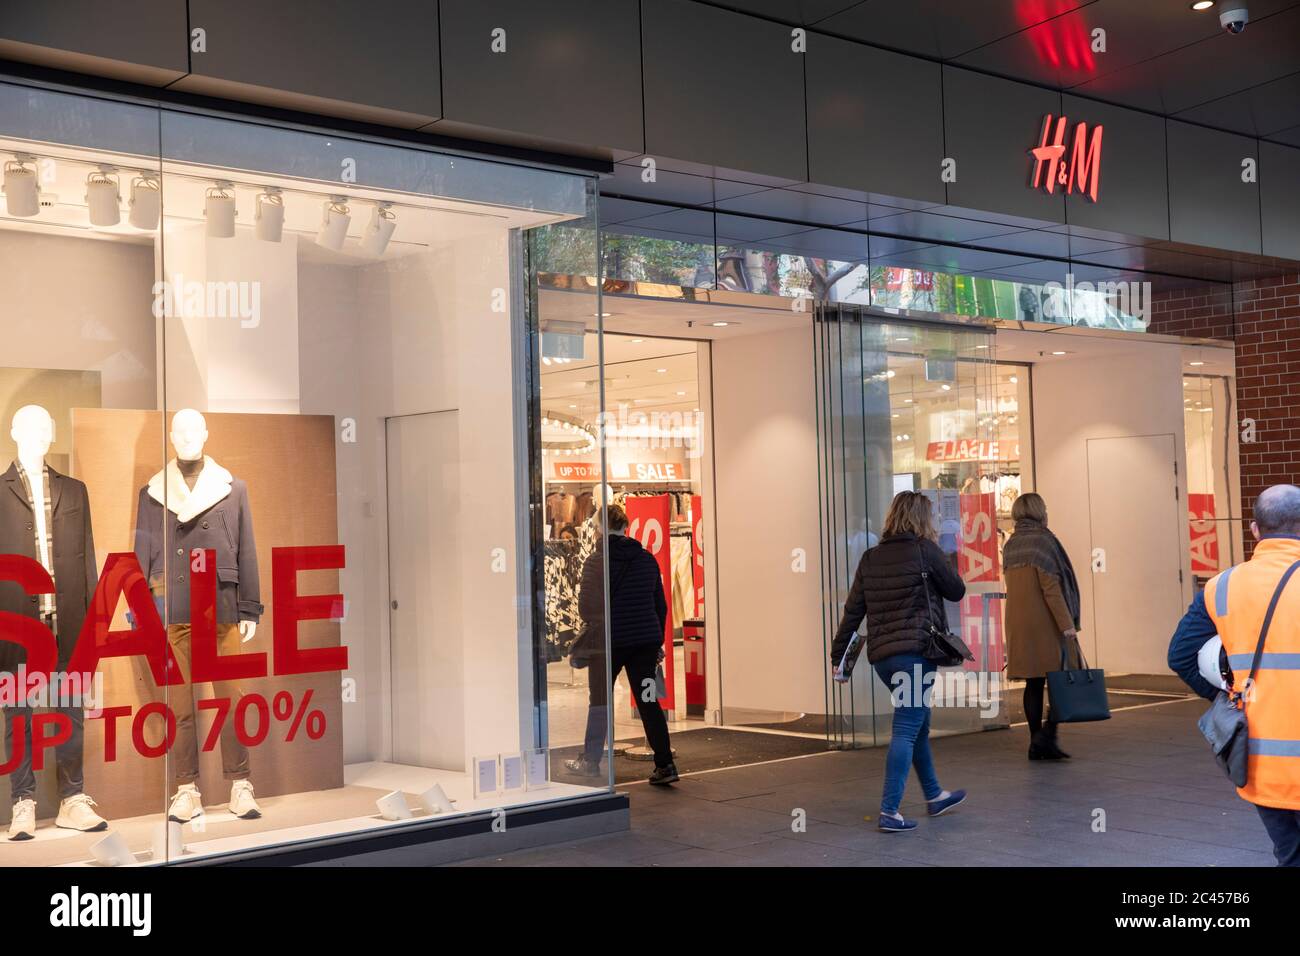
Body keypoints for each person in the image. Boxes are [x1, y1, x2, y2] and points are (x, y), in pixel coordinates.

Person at [1169, 484, 1300, 867]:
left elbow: (1180, 656)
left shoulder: (1221, 586)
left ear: (1255, 529)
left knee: (1289, 856)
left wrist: (1227, 700)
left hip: (1261, 765)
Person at [830, 491, 967, 832]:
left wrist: (838, 658)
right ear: (923, 519)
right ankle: (890, 811)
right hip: (916, 655)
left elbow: (853, 611)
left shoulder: (871, 557)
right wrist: (943, 556)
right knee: (906, 728)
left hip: (884, 659)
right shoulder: (926, 551)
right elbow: (957, 590)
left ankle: (934, 795)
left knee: (917, 721)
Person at [566, 504, 678, 785]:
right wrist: (656, 641)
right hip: (644, 643)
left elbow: (587, 609)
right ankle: (665, 764)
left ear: (600, 528)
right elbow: (659, 606)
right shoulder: (647, 559)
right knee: (649, 701)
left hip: (609, 643)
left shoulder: (595, 561)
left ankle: (590, 761)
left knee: (600, 701)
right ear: (626, 527)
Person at [1002, 493, 1082, 761]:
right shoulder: (1043, 541)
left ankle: (1036, 740)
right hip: (1045, 622)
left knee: (1033, 683)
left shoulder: (1011, 544)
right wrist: (1067, 624)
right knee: (1059, 680)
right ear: (1039, 512)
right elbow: (1051, 589)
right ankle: (1047, 735)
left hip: (1018, 621)